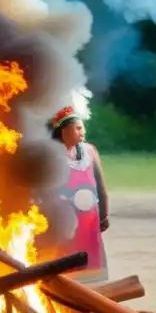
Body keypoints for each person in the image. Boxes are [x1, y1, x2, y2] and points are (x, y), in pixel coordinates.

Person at [42, 87, 110, 283]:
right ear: (63, 131)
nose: (83, 132)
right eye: (78, 128)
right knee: (66, 264)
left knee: (90, 263)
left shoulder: (90, 151)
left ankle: (94, 296)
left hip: (89, 220)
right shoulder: (51, 155)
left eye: (82, 127)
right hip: (64, 222)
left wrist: (104, 215)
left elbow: (101, 188)